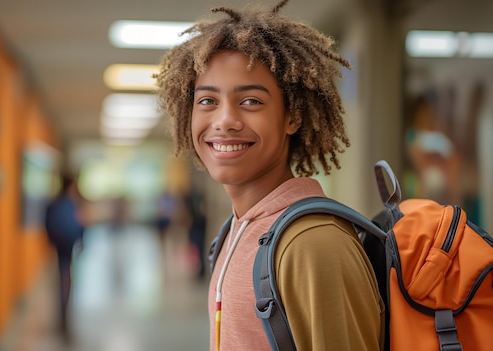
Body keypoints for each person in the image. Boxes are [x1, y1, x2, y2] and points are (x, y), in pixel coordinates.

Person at [154, 1, 384, 350]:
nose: (225, 120)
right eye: (207, 102)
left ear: (292, 117)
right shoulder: (235, 230)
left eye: (250, 102)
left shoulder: (312, 242)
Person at [44, 173, 87, 341]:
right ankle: (64, 312)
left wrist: (51, 241)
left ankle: (63, 312)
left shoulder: (54, 203)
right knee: (66, 274)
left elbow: (47, 223)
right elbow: (81, 223)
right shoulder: (74, 203)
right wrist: (82, 241)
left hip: (59, 243)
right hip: (69, 243)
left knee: (63, 272)